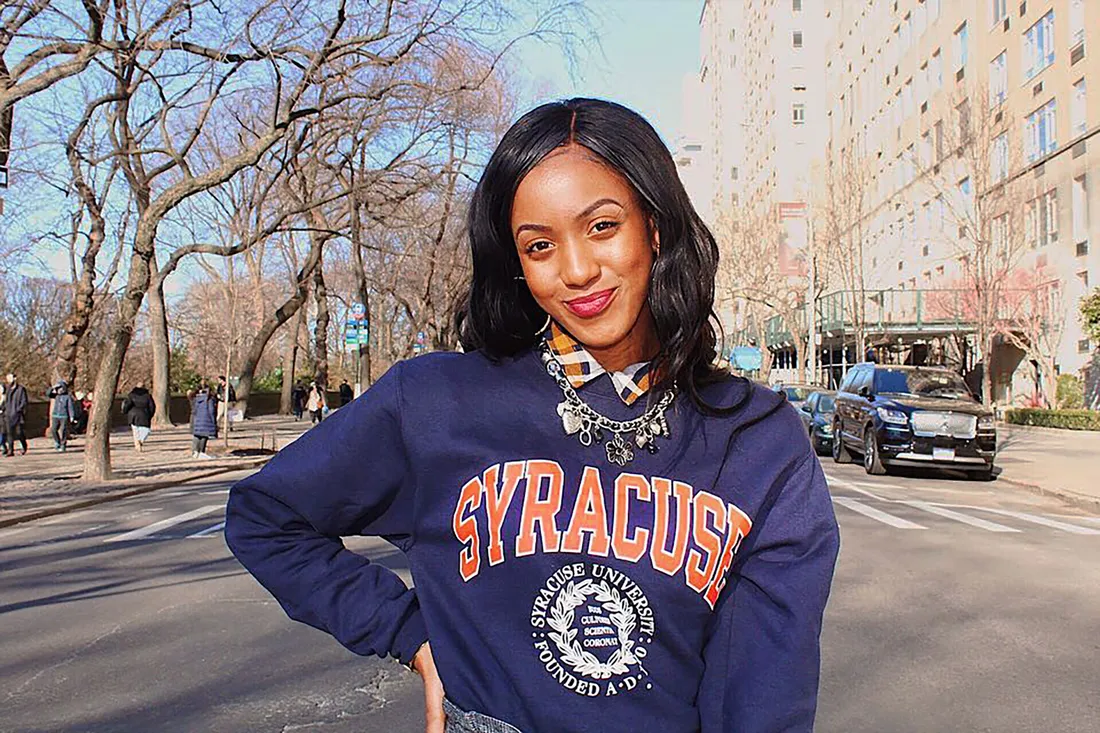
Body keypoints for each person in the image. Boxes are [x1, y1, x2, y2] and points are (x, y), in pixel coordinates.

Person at [226, 99, 839, 733]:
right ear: (517, 264)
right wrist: (410, 634)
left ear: (654, 228)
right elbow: (267, 517)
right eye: (540, 245)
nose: (576, 271)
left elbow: (764, 693)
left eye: (602, 226)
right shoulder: (438, 402)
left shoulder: (758, 440)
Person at [121, 381, 156, 453]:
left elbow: (127, 404)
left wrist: (125, 411)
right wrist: (150, 415)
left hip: (133, 414)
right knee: (146, 430)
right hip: (144, 414)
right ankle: (141, 440)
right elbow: (152, 406)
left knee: (135, 431)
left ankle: (137, 444)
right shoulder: (148, 396)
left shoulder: (131, 395)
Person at [190, 382, 218, 459]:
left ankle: (195, 451)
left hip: (197, 420)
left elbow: (193, 410)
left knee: (197, 435)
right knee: (204, 436)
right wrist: (213, 422)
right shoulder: (210, 399)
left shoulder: (195, 398)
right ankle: (201, 452)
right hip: (207, 419)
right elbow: (211, 411)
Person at [47, 381, 77, 452]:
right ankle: (57, 441)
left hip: (64, 416)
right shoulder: (56, 396)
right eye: (58, 389)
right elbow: (48, 394)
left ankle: (63, 444)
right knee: (53, 430)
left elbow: (70, 407)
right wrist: (52, 387)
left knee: (63, 430)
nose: (59, 390)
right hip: (55, 415)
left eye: (60, 388)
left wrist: (72, 416)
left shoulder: (67, 397)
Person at [3, 373, 29, 457]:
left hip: (17, 415)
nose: (8, 380)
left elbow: (24, 402)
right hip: (8, 414)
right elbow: (5, 401)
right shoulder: (7, 389)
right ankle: (11, 451)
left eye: (10, 378)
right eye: (7, 378)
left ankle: (24, 445)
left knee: (19, 432)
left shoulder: (21, 389)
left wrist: (18, 410)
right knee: (9, 433)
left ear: (14, 378)